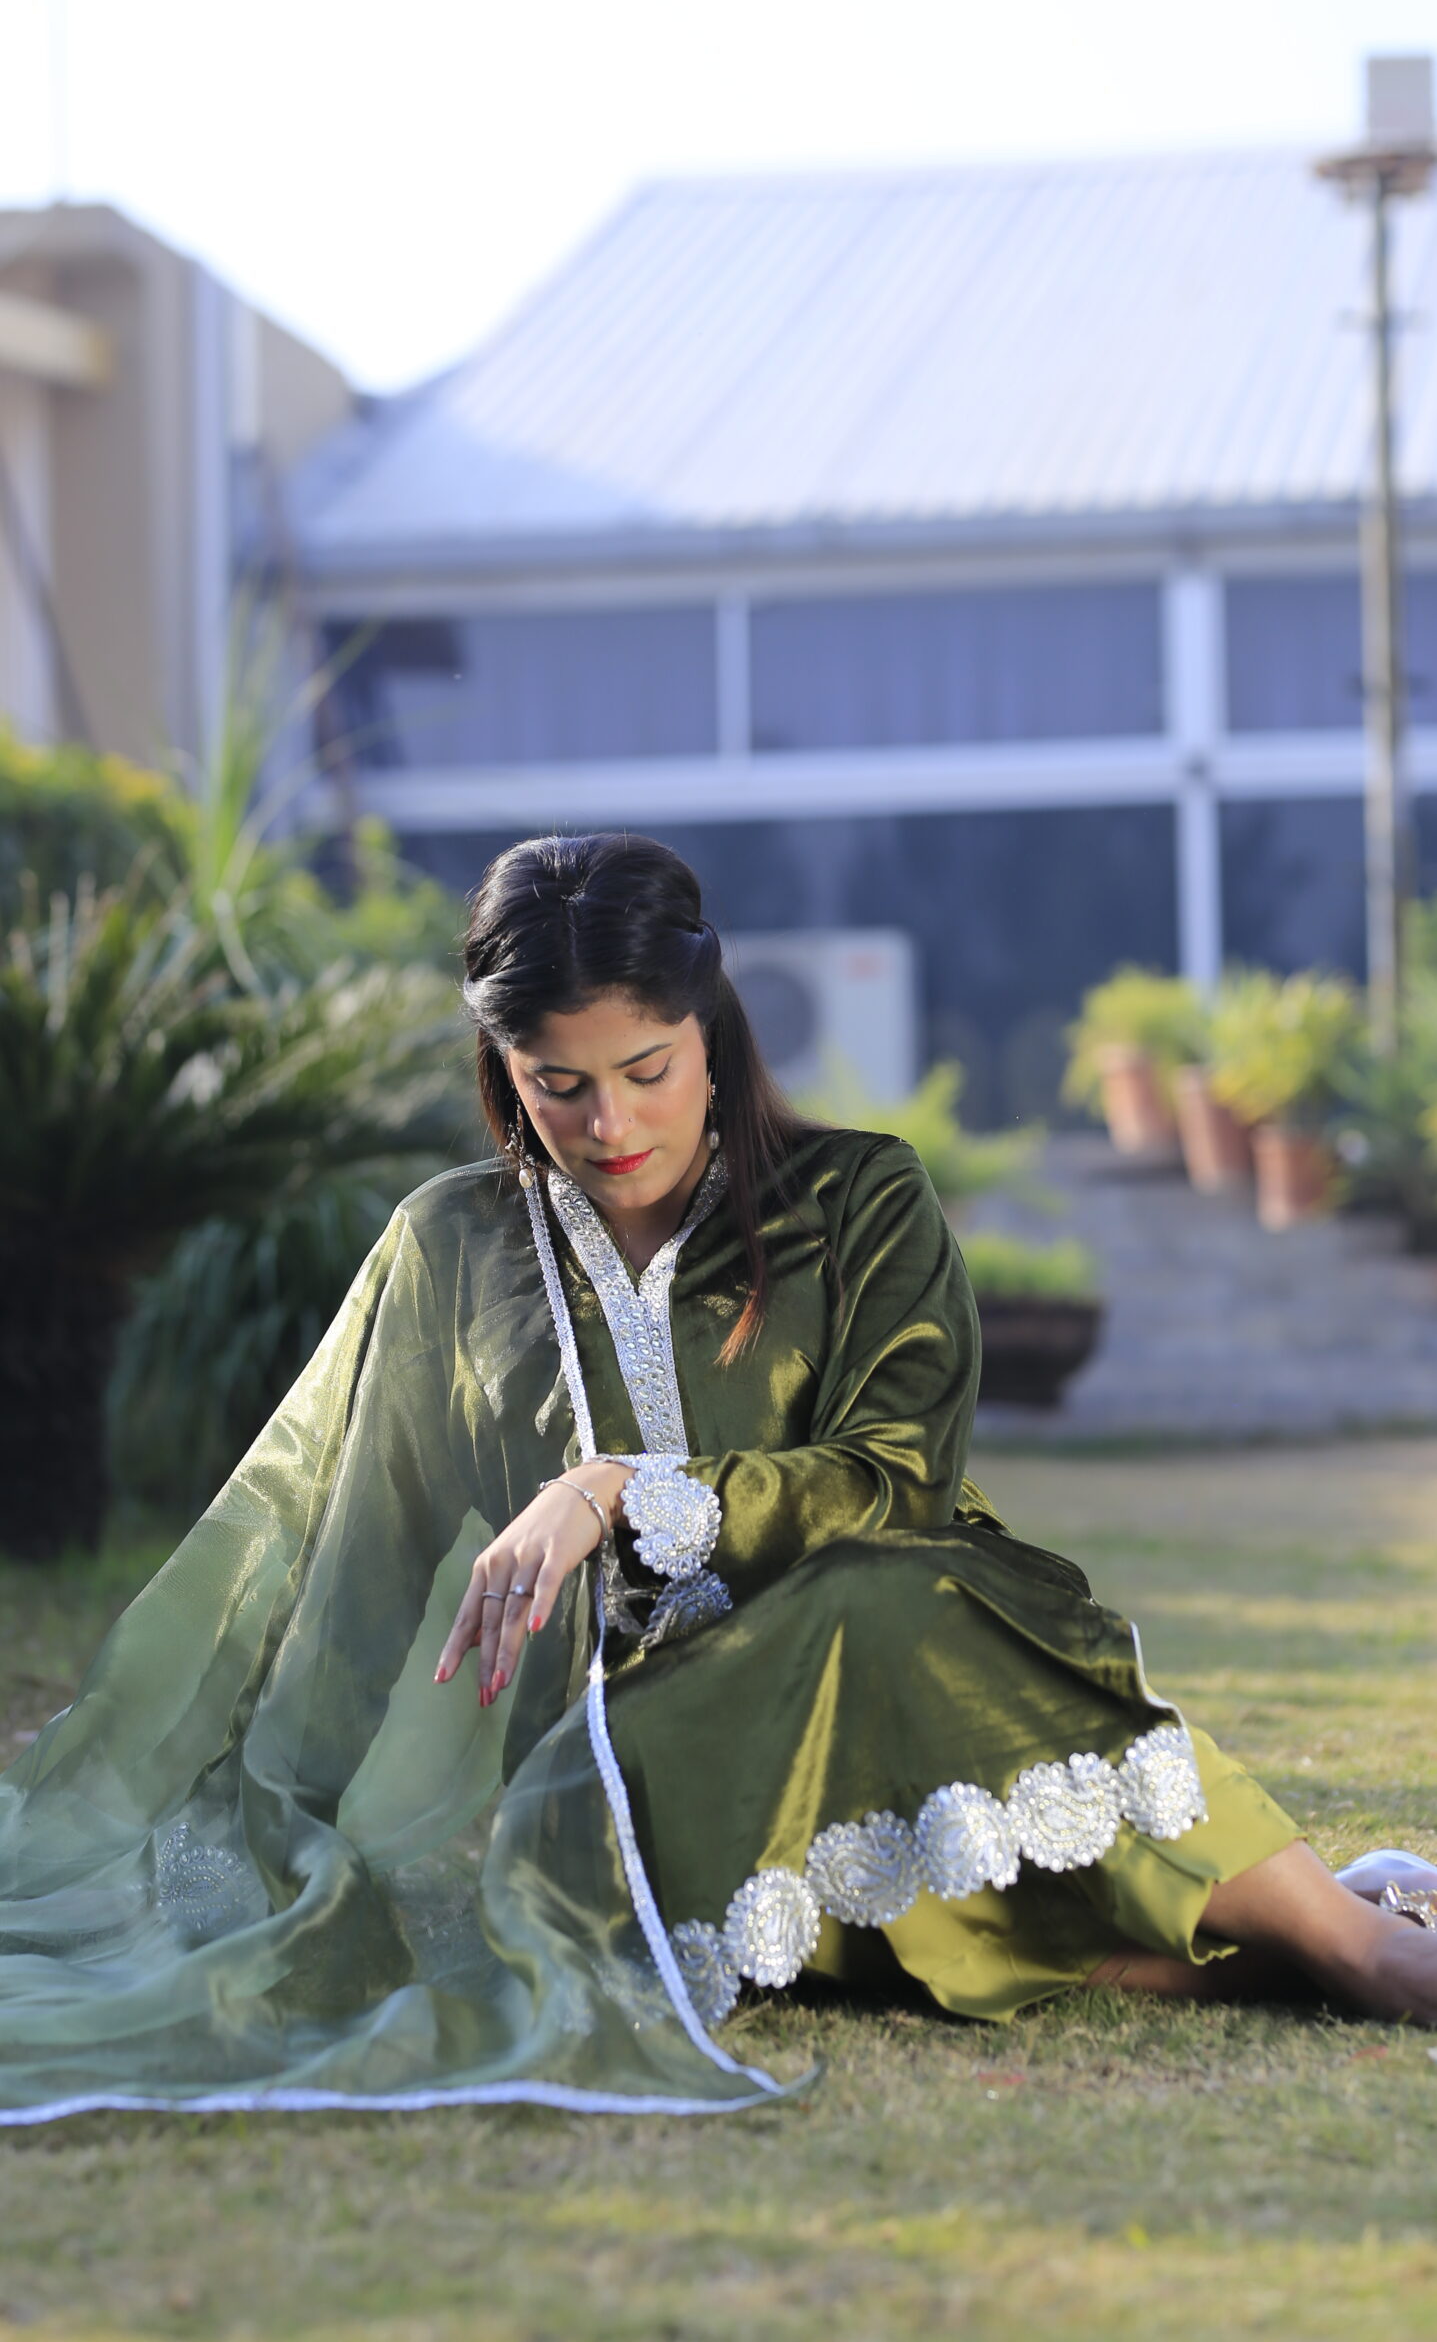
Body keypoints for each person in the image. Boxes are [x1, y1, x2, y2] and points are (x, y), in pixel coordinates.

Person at [0, 834, 1433, 2127]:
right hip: (625, 1764)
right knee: (895, 1761)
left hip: (909, 1665)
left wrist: (619, 1487)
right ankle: (1316, 1942)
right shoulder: (450, 1250)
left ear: (713, 1034)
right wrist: (266, 1827)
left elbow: (895, 1479)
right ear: (502, 1067)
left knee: (902, 1598)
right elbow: (349, 1575)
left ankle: (1353, 1946)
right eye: (557, 1085)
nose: (608, 1123)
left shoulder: (860, 1200)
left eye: (648, 1071)